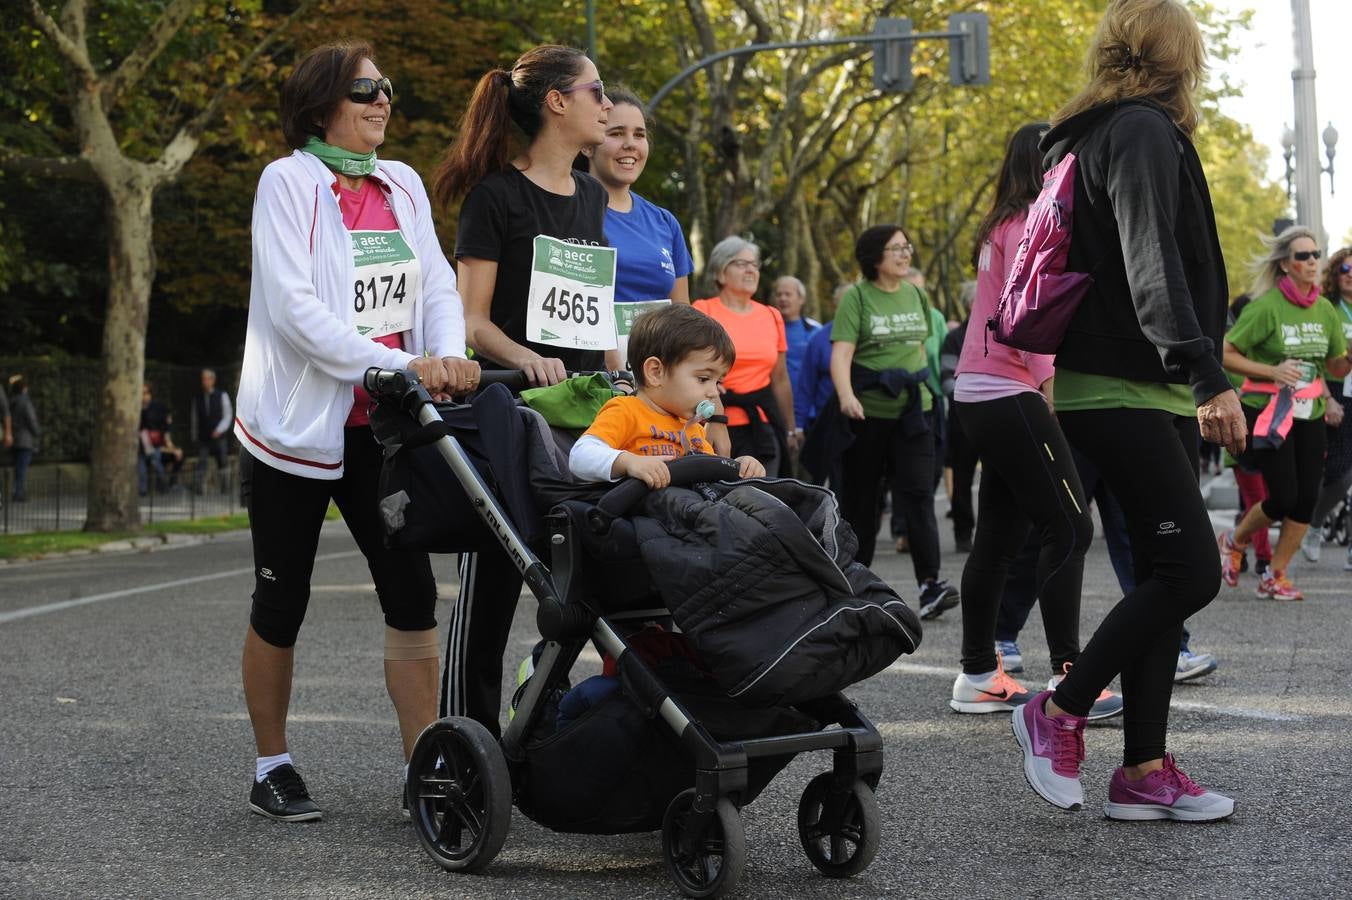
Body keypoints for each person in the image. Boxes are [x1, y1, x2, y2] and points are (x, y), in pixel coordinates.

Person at [1011, 0, 1245, 822]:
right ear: (1178, 55)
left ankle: (1144, 769)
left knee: (1159, 575)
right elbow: (1152, 261)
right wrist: (1207, 373)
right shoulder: (1140, 130)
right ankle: (1060, 708)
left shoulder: (1089, 131)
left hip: (1129, 384)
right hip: (1124, 385)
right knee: (1191, 572)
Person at [235, 40, 475, 822]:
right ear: (319, 104)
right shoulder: (287, 181)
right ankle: (273, 764)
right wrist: (392, 364)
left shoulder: (402, 182)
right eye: (365, 89)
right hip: (295, 431)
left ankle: (423, 767)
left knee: (411, 597)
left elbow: (434, 280)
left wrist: (444, 355)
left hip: (386, 431)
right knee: (283, 600)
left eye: (387, 88)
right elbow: (296, 311)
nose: (382, 101)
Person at [431, 44, 611, 738]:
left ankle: (542, 720)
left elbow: (593, 309)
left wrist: (627, 378)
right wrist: (527, 357)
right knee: (495, 584)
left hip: (583, 412)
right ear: (558, 102)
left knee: (586, 579)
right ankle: (461, 746)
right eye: (596, 91)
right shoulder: (495, 198)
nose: (606, 102)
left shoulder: (592, 195)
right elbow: (470, 320)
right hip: (509, 409)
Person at [947, 123, 1098, 719]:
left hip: (978, 391)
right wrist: (1051, 392)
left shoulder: (998, 225)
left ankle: (978, 674)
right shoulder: (1031, 227)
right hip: (1010, 388)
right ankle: (1072, 680)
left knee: (1000, 540)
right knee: (1071, 527)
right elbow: (1028, 319)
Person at [829, 224, 959, 619]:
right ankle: (853, 583)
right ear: (874, 258)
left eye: (907, 246)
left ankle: (930, 585)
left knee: (919, 495)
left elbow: (919, 347)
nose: (905, 254)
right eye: (896, 249)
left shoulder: (916, 293)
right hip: (868, 414)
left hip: (913, 412)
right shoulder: (857, 298)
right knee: (862, 501)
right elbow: (842, 354)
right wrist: (847, 397)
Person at [1218, 226, 1349, 600]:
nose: (1311, 262)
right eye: (1302, 256)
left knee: (1307, 498)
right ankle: (1234, 539)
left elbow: (1335, 368)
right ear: (1286, 265)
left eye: (1315, 255)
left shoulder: (1324, 310)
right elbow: (1227, 352)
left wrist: (1350, 356)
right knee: (1283, 497)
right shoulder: (1266, 308)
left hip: (1310, 414)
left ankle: (1275, 575)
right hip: (1269, 414)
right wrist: (1272, 371)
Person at [569, 304, 765, 485]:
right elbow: (580, 457)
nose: (714, 392)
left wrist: (740, 467)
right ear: (656, 372)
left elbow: (712, 473)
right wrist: (628, 461)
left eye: (718, 382)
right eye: (703, 379)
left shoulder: (694, 429)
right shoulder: (625, 411)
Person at [693, 237, 798, 474]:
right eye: (741, 263)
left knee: (766, 500)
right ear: (720, 272)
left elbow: (780, 378)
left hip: (762, 425)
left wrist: (790, 428)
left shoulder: (772, 315)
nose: (751, 270)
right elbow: (688, 368)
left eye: (754, 264)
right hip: (712, 423)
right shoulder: (703, 310)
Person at [1301, 246, 1352, 566]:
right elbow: (1316, 358)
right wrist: (1327, 398)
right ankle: (1315, 525)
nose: (1350, 276)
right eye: (1345, 270)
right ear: (1335, 274)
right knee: (1341, 475)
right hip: (1336, 392)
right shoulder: (1326, 307)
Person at [940, 281, 978, 553]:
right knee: (962, 478)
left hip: (996, 417)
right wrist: (973, 398)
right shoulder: (954, 338)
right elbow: (946, 380)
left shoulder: (1000, 329)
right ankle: (963, 532)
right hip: (964, 417)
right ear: (969, 304)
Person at [191, 368, 233, 494]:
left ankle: (226, 489)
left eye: (207, 379)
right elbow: (194, 419)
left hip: (219, 437)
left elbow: (228, 415)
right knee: (202, 463)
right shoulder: (197, 398)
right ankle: (198, 490)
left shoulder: (222, 395)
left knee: (223, 462)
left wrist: (219, 430)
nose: (204, 382)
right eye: (203, 379)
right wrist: (195, 437)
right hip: (204, 437)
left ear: (213, 380)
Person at [773, 275, 821, 388]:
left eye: (788, 294)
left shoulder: (815, 330)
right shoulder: (766, 329)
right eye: (779, 294)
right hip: (772, 400)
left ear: (801, 299)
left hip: (808, 401)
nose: (783, 298)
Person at [137, 382, 182, 495]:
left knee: (157, 465)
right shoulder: (137, 409)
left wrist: (169, 445)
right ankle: (143, 491)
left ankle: (164, 488)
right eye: (141, 393)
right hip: (141, 445)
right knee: (142, 469)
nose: (144, 396)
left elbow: (165, 427)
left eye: (146, 393)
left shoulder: (156, 409)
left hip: (153, 444)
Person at [8, 375, 38, 503]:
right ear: (24, 388)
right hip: (25, 439)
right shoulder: (25, 402)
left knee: (17, 467)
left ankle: (17, 491)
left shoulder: (10, 402)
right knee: (22, 468)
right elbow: (31, 420)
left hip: (14, 438)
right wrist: (37, 432)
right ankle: (19, 493)